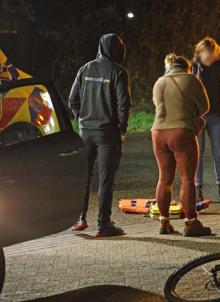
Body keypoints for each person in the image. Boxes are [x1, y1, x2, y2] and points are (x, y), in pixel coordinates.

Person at [69, 33, 131, 237]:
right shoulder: (119, 72)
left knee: (83, 176)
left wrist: (81, 117)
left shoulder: (85, 69)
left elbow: (72, 100)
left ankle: (80, 219)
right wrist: (122, 129)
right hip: (108, 134)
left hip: (85, 132)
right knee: (106, 180)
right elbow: (124, 105)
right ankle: (103, 225)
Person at [152, 53, 211, 237]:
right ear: (187, 67)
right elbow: (205, 107)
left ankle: (164, 222)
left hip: (158, 133)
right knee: (187, 179)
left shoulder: (159, 82)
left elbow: (157, 104)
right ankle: (190, 222)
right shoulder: (191, 79)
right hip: (181, 132)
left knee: (164, 179)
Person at [192, 37, 220, 203]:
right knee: (198, 154)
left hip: (217, 114)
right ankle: (197, 191)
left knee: (218, 154)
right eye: (206, 55)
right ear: (200, 53)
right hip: (198, 116)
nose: (209, 58)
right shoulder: (194, 66)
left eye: (212, 54)